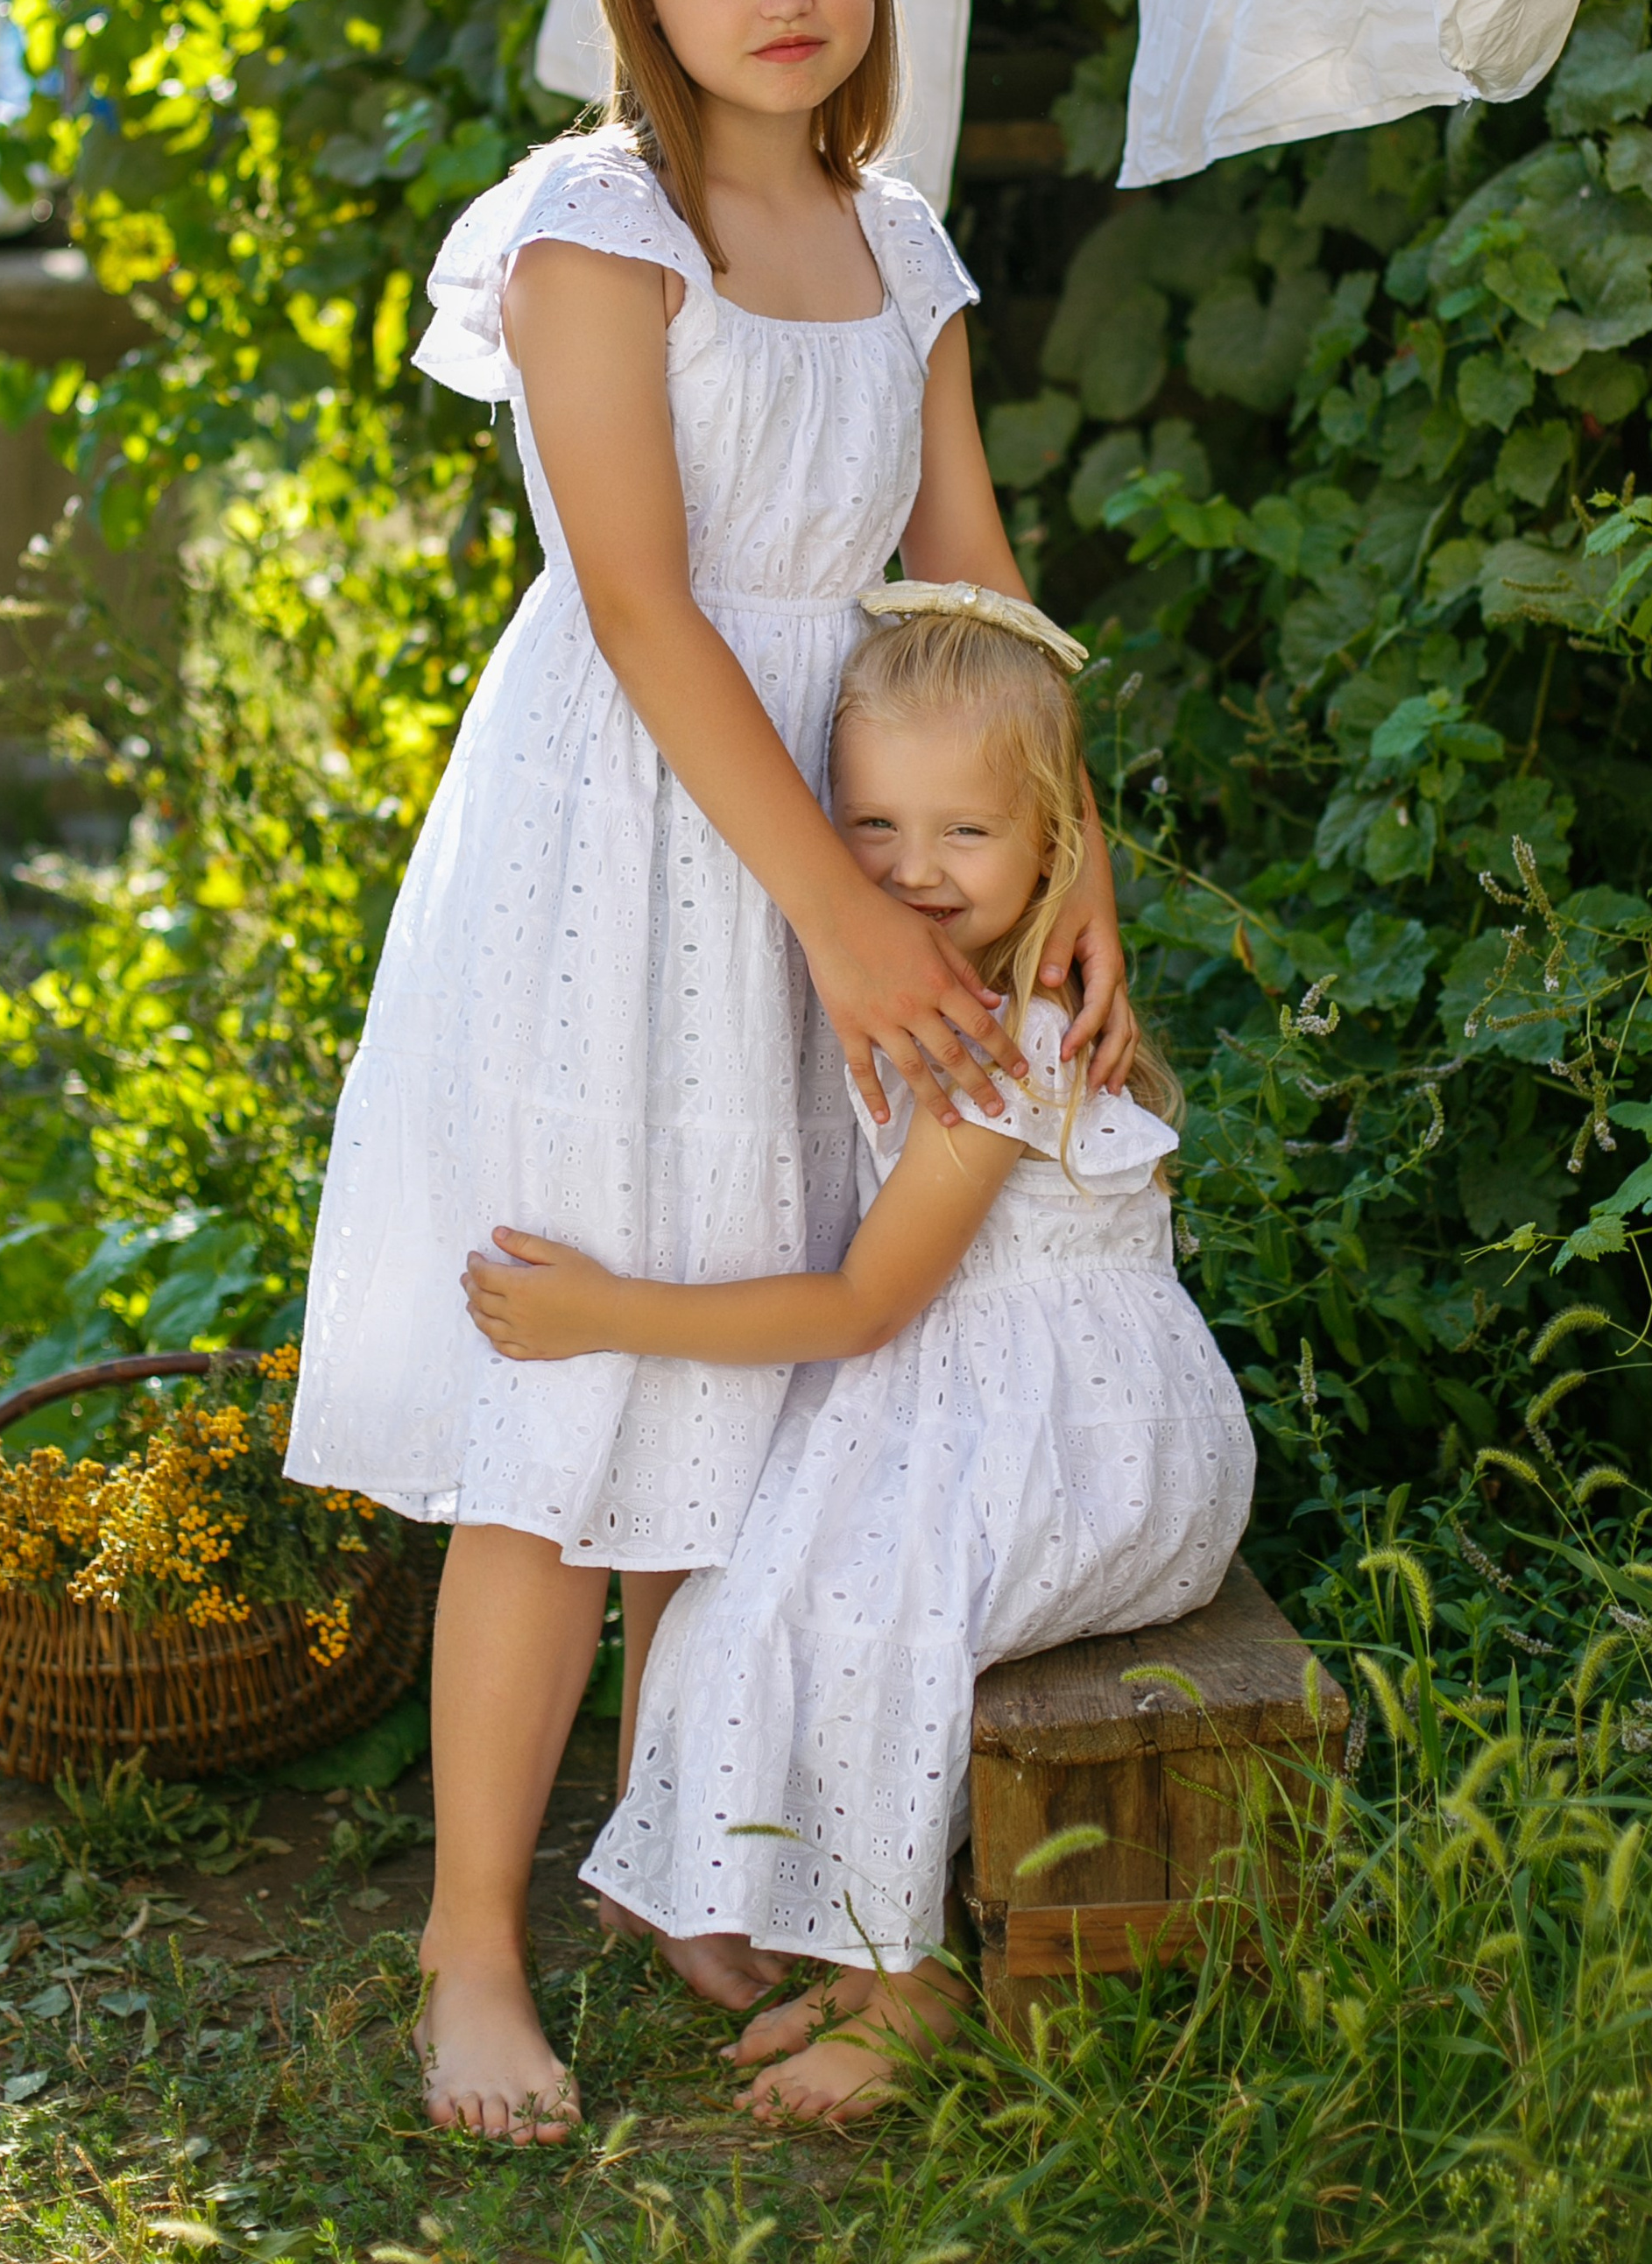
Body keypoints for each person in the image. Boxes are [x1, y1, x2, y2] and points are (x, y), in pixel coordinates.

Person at [282, 0, 1138, 2142]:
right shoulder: (594, 219)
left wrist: (1075, 892)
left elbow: (973, 599)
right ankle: (473, 1940)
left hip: (858, 825)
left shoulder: (907, 246)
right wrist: (852, 932)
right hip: (634, 839)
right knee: (569, 1424)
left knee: (754, 1394)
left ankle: (687, 1854)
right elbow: (647, 607)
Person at [464, 595, 1255, 2125]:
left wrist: (609, 1310)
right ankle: (838, 1928)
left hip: (1098, 1432)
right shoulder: (923, 985)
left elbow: (856, 1308)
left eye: (966, 830)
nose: (908, 867)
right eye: (873, 821)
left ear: (1055, 848)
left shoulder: (1009, 1047)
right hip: (968, 1393)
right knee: (763, 1569)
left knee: (879, 1597)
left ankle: (917, 1986)